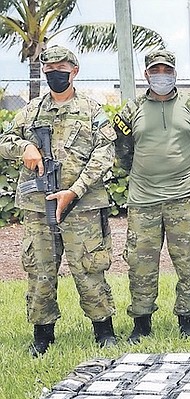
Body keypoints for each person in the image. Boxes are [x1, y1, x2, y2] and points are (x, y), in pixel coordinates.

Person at [0, 46, 118, 356]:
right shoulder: (30, 111)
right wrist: (24, 147)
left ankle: (103, 330)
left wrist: (75, 190)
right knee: (40, 270)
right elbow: (5, 141)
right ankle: (42, 335)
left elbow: (106, 153)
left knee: (89, 268)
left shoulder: (92, 110)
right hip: (39, 207)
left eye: (61, 66)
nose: (55, 71)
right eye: (49, 67)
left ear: (74, 70)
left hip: (82, 205)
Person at [114, 49, 190, 343]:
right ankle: (142, 323)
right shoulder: (130, 111)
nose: (162, 76)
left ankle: (188, 321)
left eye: (167, 70)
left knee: (188, 262)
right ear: (146, 75)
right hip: (143, 200)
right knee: (141, 264)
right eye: (156, 71)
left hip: (183, 198)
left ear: (175, 73)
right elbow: (122, 151)